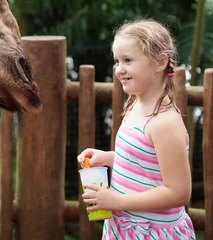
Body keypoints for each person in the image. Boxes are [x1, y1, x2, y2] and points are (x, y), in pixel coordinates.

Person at [77, 19, 195, 239]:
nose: (119, 69)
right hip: (126, 228)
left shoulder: (164, 122)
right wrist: (109, 158)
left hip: (153, 232)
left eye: (128, 60)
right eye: (117, 61)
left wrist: (118, 201)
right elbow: (145, 162)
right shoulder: (135, 104)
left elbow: (179, 192)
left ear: (160, 62)